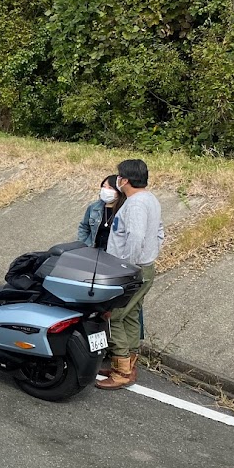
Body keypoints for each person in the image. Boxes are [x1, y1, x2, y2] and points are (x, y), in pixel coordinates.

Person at [98, 158, 163, 390]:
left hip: (131, 270)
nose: (117, 180)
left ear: (124, 180)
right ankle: (129, 363)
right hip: (144, 267)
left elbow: (135, 238)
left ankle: (122, 370)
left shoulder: (135, 204)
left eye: (119, 177)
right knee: (131, 315)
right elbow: (159, 231)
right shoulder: (150, 199)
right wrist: (150, 254)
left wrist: (127, 268)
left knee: (113, 316)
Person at [77, 175, 125, 250]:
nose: (105, 190)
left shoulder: (124, 210)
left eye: (110, 188)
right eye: (104, 186)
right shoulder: (94, 207)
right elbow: (84, 227)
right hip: (92, 250)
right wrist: (83, 245)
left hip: (112, 252)